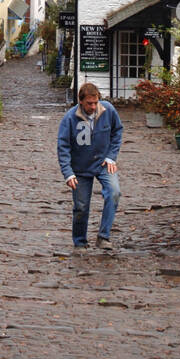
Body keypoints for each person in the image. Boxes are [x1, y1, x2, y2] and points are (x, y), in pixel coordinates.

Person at [56, 81, 122, 253]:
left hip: (103, 163)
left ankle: (104, 236)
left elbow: (117, 132)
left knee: (114, 192)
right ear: (80, 101)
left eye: (95, 102)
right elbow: (63, 146)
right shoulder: (70, 118)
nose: (93, 106)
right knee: (81, 206)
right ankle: (79, 241)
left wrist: (111, 157)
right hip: (80, 167)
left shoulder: (108, 111)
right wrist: (68, 173)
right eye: (89, 103)